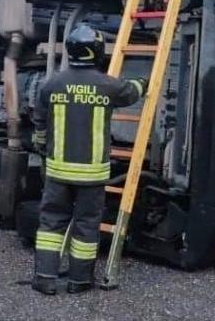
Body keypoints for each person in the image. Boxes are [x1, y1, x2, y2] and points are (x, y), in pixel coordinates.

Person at [30, 23, 147, 295]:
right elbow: (131, 92)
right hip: (92, 177)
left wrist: (41, 146)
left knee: (51, 225)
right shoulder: (107, 85)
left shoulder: (51, 84)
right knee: (86, 227)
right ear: (97, 51)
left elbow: (39, 123)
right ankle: (79, 281)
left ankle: (45, 278)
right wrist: (143, 82)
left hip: (57, 173)